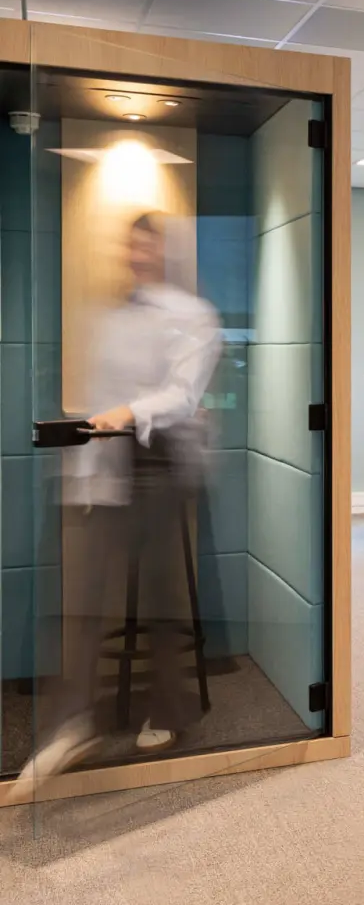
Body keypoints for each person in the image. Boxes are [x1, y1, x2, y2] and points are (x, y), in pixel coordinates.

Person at [15, 212, 222, 791]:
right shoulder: (112, 318)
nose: (137, 256)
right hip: (109, 465)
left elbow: (182, 395)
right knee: (83, 596)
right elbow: (99, 402)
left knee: (160, 598)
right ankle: (73, 723)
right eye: (131, 246)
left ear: (165, 253)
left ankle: (171, 711)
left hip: (162, 464)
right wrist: (84, 471)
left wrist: (129, 413)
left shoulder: (194, 315)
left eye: (147, 247)